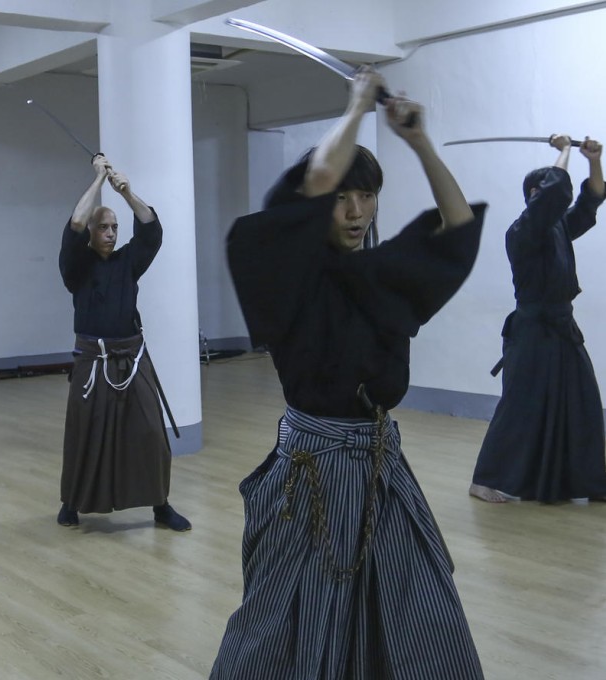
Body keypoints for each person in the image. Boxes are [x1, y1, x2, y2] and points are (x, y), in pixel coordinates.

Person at [212, 71, 485, 678]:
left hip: (383, 467)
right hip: (314, 471)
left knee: (419, 612)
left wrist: (419, 142)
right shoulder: (282, 272)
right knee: (289, 619)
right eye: (343, 198)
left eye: (367, 195)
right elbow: (314, 181)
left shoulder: (385, 277)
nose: (356, 210)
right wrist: (358, 105)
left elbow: (459, 229)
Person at [57, 154, 190, 532]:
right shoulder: (76, 267)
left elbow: (150, 229)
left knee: (151, 432)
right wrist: (98, 178)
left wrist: (126, 192)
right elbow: (76, 222)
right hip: (92, 361)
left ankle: (160, 505)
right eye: (104, 227)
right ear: (92, 233)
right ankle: (71, 503)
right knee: (85, 432)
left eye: (115, 227)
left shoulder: (128, 262)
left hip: (131, 358)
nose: (111, 233)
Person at [470, 135, 606, 503]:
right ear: (535, 194)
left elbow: (591, 200)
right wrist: (564, 150)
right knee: (520, 405)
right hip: (531, 329)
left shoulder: (559, 227)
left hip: (562, 327)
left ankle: (590, 482)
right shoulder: (522, 232)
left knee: (582, 401)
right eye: (549, 191)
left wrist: (593, 160)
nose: (558, 199)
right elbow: (556, 192)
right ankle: (484, 480)